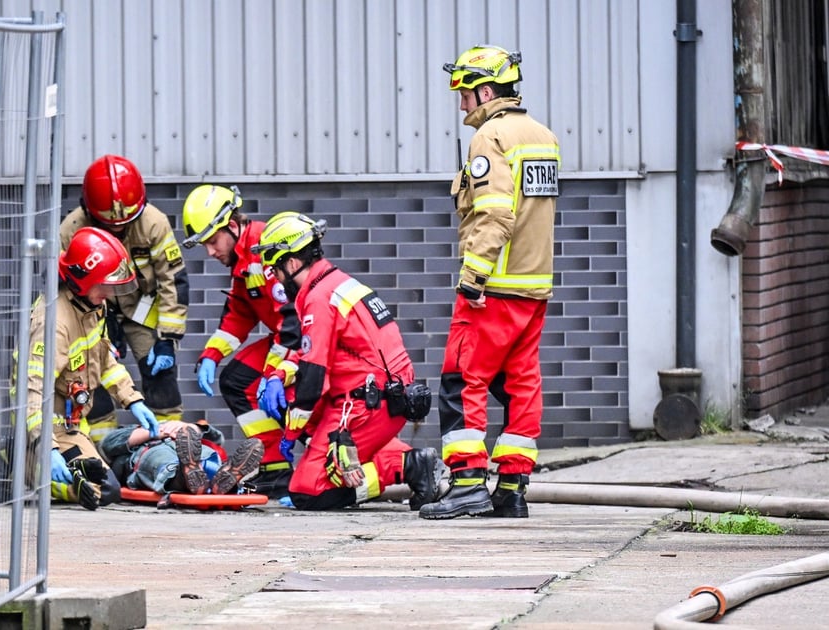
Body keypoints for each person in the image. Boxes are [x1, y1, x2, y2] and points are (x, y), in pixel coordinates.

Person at [417, 45, 561, 520]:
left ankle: (466, 484)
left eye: (464, 94)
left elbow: (495, 214)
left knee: (462, 380)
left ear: (484, 89)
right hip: (533, 286)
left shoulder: (491, 137)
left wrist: (474, 274)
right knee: (522, 385)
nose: (462, 106)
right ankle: (512, 489)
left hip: (493, 288)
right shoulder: (542, 136)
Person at [251, 212, 446, 511]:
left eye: (275, 269)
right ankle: (393, 457)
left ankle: (406, 465)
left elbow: (314, 378)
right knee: (287, 394)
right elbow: (318, 354)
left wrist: (290, 435)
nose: (275, 279)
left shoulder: (318, 298)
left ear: (291, 263)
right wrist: (278, 374)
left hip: (364, 406)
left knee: (309, 492)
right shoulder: (332, 285)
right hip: (375, 397)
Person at [21, 226, 160, 510]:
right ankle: (18, 462)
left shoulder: (92, 307)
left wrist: (132, 400)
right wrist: (47, 449)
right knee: (101, 491)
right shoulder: (54, 322)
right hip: (48, 428)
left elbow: (105, 360)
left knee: (106, 487)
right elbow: (32, 390)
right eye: (105, 285)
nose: (109, 293)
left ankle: (46, 467)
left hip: (71, 425)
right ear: (84, 282)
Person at [180, 185, 301, 498]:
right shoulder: (243, 262)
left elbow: (293, 323)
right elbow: (239, 314)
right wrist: (211, 355)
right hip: (288, 338)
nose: (209, 251)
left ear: (232, 226)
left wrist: (274, 374)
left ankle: (305, 467)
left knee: (283, 394)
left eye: (212, 240)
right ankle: (275, 469)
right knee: (236, 381)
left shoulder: (265, 250)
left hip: (305, 340)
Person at [60, 155, 188, 444]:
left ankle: (171, 444)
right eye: (109, 225)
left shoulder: (153, 223)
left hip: (140, 309)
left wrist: (167, 339)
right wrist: (97, 329)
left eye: (125, 224)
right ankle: (102, 451)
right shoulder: (71, 229)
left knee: (160, 377)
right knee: (92, 379)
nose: (118, 228)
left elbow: (173, 280)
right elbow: (66, 287)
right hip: (92, 309)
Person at [99, 420, 264, 500]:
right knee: (166, 464)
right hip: (152, 450)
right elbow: (108, 444)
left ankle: (223, 477)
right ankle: (193, 476)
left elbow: (217, 438)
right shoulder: (135, 431)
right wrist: (156, 431)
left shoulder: (184, 429)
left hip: (193, 450)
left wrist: (188, 426)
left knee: (206, 456)